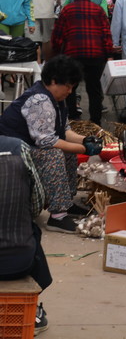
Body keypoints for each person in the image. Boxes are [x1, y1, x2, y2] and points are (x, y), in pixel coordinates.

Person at [0, 55, 101, 234]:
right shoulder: (40, 100)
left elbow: (65, 131)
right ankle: (58, 216)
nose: (70, 91)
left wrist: (85, 140)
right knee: (53, 153)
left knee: (68, 152)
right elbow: (47, 141)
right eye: (68, 86)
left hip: (27, 146)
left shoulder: (56, 100)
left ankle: (66, 204)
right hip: (10, 151)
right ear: (54, 81)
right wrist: (84, 149)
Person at [0, 134, 52, 334]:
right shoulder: (17, 147)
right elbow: (36, 204)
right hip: (18, 263)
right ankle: (35, 315)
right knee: (32, 230)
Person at [51, 0, 114, 124]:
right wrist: (109, 54)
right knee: (94, 88)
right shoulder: (98, 10)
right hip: (96, 55)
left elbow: (58, 35)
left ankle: (73, 117)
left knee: (70, 86)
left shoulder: (67, 10)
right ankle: (95, 121)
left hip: (73, 55)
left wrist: (57, 52)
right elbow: (106, 34)